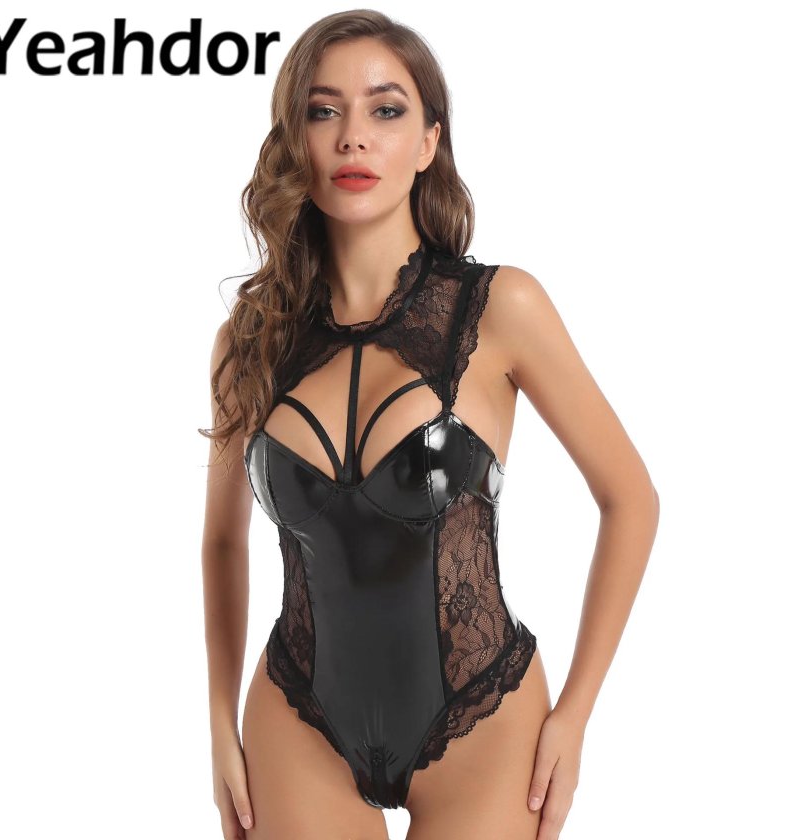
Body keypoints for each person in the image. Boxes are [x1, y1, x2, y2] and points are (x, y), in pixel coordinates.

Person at [199, 10, 659, 840]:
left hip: (484, 723)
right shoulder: (251, 337)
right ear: (295, 139)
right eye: (323, 110)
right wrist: (218, 726)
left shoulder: (501, 309)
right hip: (298, 718)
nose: (353, 137)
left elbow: (631, 499)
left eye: (386, 109)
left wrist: (576, 713)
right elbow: (223, 542)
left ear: (428, 142)